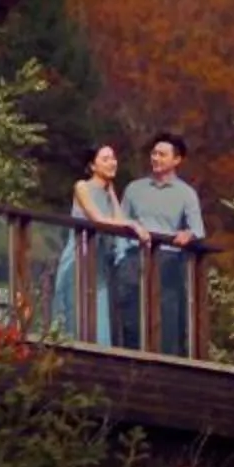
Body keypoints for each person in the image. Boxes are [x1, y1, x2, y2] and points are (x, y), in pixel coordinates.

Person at [120, 131, 205, 355]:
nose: (156, 158)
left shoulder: (186, 193)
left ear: (176, 160)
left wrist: (188, 234)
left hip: (168, 260)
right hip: (133, 257)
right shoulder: (134, 189)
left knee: (167, 315)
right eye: (154, 153)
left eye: (162, 154)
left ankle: (167, 362)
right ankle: (128, 358)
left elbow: (198, 228)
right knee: (130, 315)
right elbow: (121, 221)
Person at [50, 143, 140, 342]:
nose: (112, 163)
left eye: (113, 158)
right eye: (105, 159)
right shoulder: (82, 186)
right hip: (79, 256)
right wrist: (133, 224)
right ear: (92, 165)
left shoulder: (110, 191)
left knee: (99, 313)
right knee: (77, 311)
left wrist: (130, 224)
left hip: (99, 259)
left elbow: (118, 220)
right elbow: (96, 218)